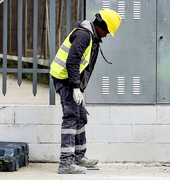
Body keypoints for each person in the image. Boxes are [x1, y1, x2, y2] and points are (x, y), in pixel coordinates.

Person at [49, 9, 121, 174]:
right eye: (107, 31)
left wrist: (78, 87)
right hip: (65, 80)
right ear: (100, 26)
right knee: (71, 118)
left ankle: (79, 157)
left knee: (80, 117)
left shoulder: (91, 36)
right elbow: (72, 61)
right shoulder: (84, 36)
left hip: (71, 81)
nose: (106, 35)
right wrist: (75, 87)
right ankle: (66, 163)